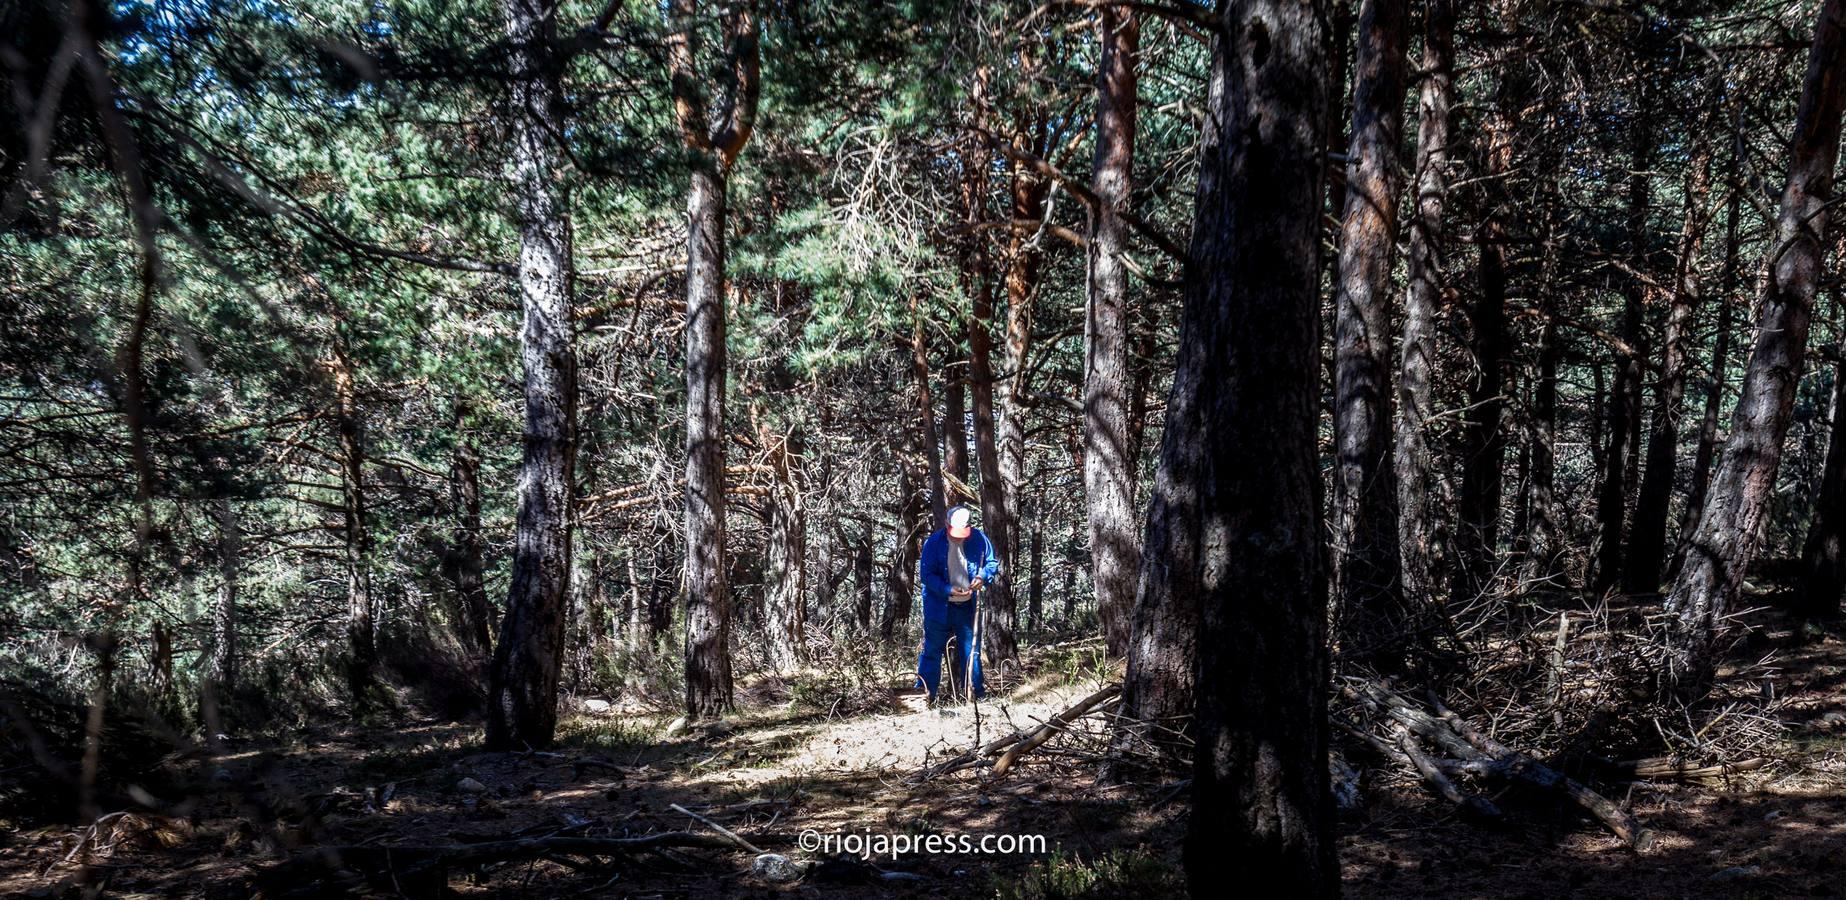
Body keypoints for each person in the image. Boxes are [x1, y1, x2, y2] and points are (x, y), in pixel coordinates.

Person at [915, 504, 1000, 705]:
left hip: (967, 607)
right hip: (938, 606)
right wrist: (946, 589)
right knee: (932, 651)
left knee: (971, 652)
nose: (959, 537)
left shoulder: (979, 539)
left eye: (963, 533)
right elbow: (926, 575)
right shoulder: (933, 544)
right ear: (946, 525)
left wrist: (982, 576)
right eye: (955, 532)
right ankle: (924, 697)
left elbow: (991, 563)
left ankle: (975, 697)